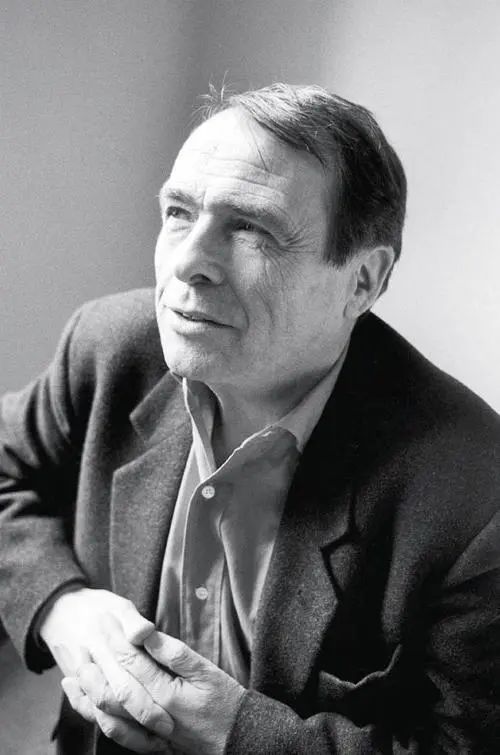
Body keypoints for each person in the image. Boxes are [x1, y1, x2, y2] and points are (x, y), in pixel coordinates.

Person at [0, 83, 499, 755]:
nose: (187, 263)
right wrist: (62, 606)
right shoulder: (110, 347)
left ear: (362, 281)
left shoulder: (474, 492)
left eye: (252, 230)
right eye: (178, 213)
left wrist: (235, 732)